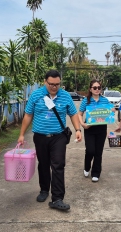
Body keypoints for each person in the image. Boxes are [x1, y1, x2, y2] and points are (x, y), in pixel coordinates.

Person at [17, 69, 82, 211]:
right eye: (51, 84)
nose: (54, 87)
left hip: (58, 137)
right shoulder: (36, 95)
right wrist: (22, 134)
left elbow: (73, 114)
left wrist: (78, 130)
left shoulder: (65, 96)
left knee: (58, 165)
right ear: (45, 82)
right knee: (43, 164)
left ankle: (57, 198)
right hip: (40, 137)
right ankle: (44, 190)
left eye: (57, 84)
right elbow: (28, 115)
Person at [78, 79, 113, 182]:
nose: (97, 89)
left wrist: (111, 112)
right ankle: (87, 167)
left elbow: (109, 114)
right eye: (95, 88)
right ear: (90, 89)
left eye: (99, 88)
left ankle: (96, 173)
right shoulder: (86, 100)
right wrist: (82, 124)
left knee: (98, 152)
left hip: (101, 129)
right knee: (90, 150)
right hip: (89, 128)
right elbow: (79, 114)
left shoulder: (105, 100)